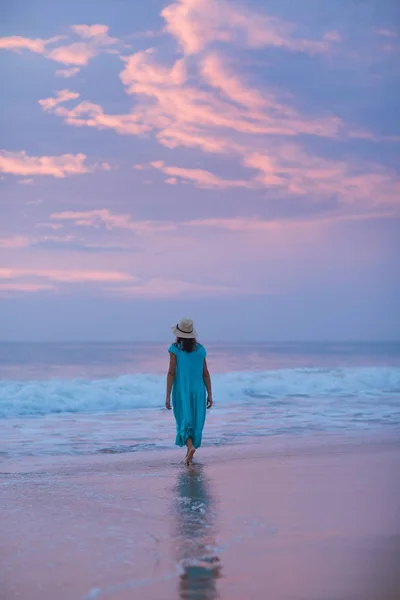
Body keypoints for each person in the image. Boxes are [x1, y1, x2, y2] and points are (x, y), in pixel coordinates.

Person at [165, 317, 213, 465]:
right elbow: (205, 373)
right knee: (195, 420)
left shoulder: (175, 349)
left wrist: (167, 395)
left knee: (183, 420)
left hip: (182, 390)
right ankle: (188, 456)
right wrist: (210, 394)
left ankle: (190, 447)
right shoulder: (201, 350)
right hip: (199, 390)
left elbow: (171, 372)